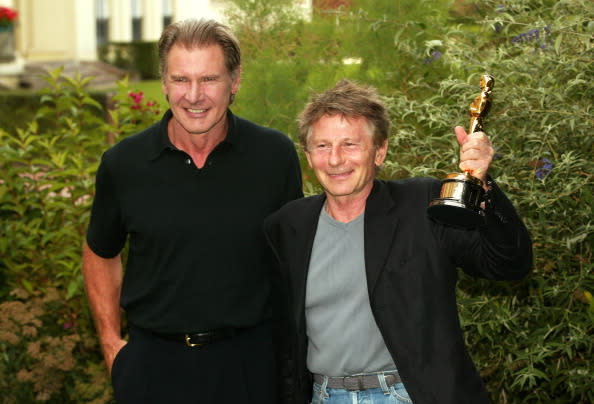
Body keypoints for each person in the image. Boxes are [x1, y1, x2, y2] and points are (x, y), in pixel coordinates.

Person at [263, 79, 532, 404]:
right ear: (308, 156)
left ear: (380, 152)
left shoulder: (423, 205)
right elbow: (280, 335)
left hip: (412, 394)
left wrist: (484, 185)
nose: (335, 160)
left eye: (350, 145)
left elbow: (509, 263)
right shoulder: (288, 226)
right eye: (322, 146)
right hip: (324, 396)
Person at [82, 18, 303, 404]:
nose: (194, 95)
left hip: (250, 367)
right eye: (181, 79)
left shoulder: (274, 156)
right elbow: (101, 251)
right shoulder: (124, 164)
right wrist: (111, 343)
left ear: (234, 83)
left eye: (210, 79)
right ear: (164, 83)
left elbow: (297, 259)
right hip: (153, 369)